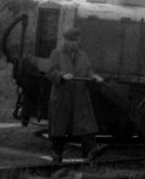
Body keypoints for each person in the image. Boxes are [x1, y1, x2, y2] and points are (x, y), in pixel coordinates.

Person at [46, 27, 107, 163]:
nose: (74, 43)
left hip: (79, 97)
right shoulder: (56, 54)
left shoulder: (83, 56)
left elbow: (88, 71)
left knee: (85, 123)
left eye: (76, 40)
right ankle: (57, 154)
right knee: (59, 126)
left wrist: (95, 77)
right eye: (71, 40)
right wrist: (62, 76)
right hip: (62, 96)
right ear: (65, 40)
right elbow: (50, 72)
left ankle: (90, 152)